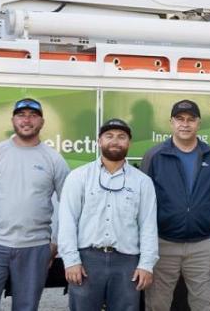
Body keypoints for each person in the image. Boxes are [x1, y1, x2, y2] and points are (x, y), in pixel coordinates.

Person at [0, 98, 70, 311]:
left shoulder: (54, 159)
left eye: (33, 115)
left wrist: (56, 242)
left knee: (26, 307)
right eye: (21, 115)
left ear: (42, 122)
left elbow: (69, 205)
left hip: (35, 248)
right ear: (13, 120)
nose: (27, 120)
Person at [58, 119, 159, 311]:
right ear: (99, 141)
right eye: (109, 136)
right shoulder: (79, 177)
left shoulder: (142, 182)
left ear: (129, 143)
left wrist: (146, 265)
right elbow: (67, 221)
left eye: (121, 137)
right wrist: (71, 261)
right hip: (87, 260)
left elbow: (148, 226)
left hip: (127, 262)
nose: (115, 141)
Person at [139, 100, 210, 311]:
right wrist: (148, 241)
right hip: (163, 245)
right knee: (157, 305)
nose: (185, 124)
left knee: (203, 305)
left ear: (198, 123)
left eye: (190, 119)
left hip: (202, 246)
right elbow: (142, 203)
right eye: (180, 119)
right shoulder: (155, 156)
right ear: (171, 122)